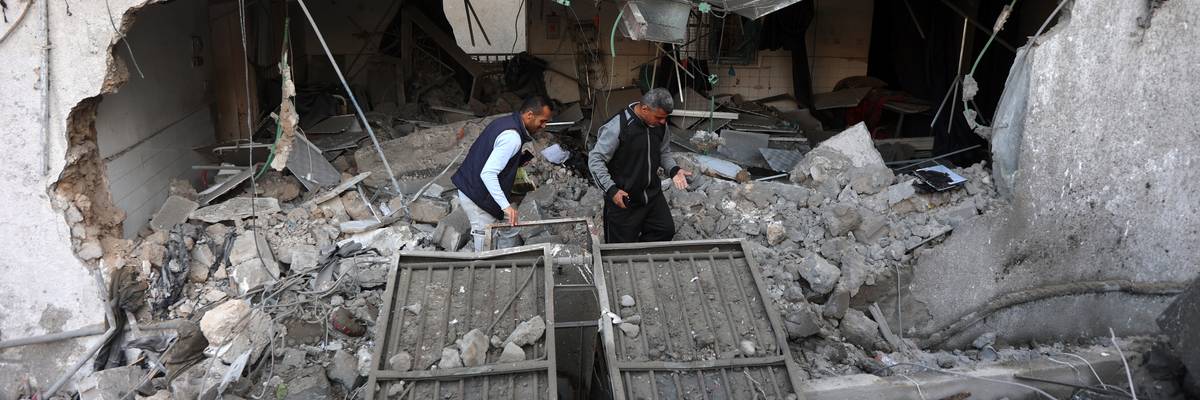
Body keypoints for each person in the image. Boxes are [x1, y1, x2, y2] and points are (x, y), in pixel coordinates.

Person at [588, 88, 692, 243]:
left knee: (664, 230)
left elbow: (663, 152)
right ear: (644, 109)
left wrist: (674, 170)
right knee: (620, 250)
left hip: (652, 196)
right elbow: (595, 159)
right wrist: (611, 190)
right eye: (659, 117)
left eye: (665, 118)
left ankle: (643, 261)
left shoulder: (660, 126)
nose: (663, 122)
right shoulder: (619, 126)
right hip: (625, 199)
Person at [451, 96, 552, 251]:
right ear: (530, 115)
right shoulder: (512, 137)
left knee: (510, 225)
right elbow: (488, 173)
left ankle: (504, 260)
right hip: (477, 195)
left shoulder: (504, 123)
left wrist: (516, 161)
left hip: (473, 186)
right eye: (542, 121)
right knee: (484, 239)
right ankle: (484, 269)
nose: (544, 126)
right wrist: (506, 206)